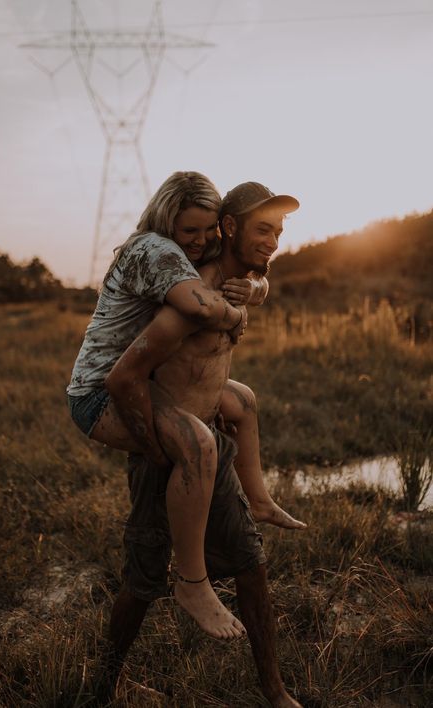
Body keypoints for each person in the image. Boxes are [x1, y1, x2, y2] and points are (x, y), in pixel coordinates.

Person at [67, 172, 302, 642]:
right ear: (166, 221)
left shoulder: (199, 253)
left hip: (146, 381)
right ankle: (192, 583)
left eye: (206, 230)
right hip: (102, 391)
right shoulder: (156, 252)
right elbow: (199, 307)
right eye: (188, 231)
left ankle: (258, 497)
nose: (199, 242)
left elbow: (253, 277)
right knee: (197, 443)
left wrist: (254, 290)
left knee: (241, 400)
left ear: (222, 226)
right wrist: (238, 313)